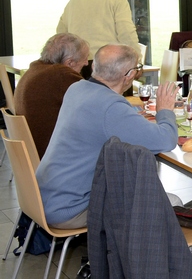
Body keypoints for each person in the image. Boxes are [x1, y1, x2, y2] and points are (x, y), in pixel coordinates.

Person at [37, 44, 178, 229]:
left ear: (94, 67)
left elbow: (108, 121)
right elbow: (166, 140)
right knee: (172, 201)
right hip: (71, 209)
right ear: (128, 76)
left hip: (44, 197)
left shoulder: (77, 88)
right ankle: (155, 256)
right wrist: (165, 110)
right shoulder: (110, 107)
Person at [13, 33, 88, 159]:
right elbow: (96, 103)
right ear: (69, 63)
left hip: (35, 157)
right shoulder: (61, 75)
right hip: (54, 160)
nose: (86, 63)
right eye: (84, 58)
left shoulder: (33, 70)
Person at [56, 0, 141, 76]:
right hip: (110, 61)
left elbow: (61, 33)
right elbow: (126, 32)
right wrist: (137, 61)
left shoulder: (73, 1)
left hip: (79, 62)